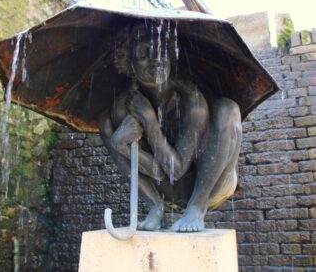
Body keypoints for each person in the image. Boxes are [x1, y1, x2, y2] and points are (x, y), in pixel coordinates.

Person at [98, 24, 242, 232]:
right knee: (105, 123)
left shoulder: (191, 100)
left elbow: (178, 169)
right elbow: (158, 173)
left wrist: (150, 122)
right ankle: (154, 207)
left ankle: (196, 209)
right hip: (168, 192)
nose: (156, 60)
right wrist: (120, 146)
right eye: (144, 53)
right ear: (128, 63)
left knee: (228, 109)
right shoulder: (122, 108)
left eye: (160, 51)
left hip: (211, 184)